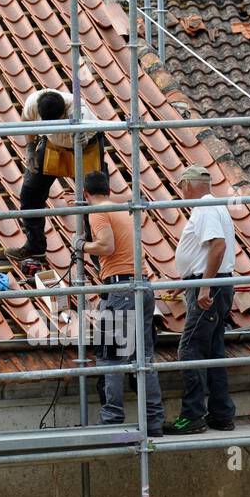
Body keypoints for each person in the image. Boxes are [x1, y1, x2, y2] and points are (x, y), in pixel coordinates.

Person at [77, 171, 164, 436]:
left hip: (122, 289)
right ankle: (154, 422)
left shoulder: (98, 212)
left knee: (111, 358)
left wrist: (81, 245)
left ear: (85, 195)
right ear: (108, 190)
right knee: (143, 358)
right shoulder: (122, 210)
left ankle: (112, 420)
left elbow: (106, 246)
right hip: (142, 286)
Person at [164, 164, 238, 435]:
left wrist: (203, 288)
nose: (180, 192)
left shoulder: (205, 208)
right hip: (217, 285)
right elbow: (204, 253)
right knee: (214, 351)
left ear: (188, 184)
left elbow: (218, 246)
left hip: (210, 289)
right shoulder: (216, 206)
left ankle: (192, 416)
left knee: (189, 350)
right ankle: (221, 414)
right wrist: (186, 283)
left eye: (180, 187)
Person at [6, 88, 76, 259]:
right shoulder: (33, 103)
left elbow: (93, 134)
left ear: (63, 114)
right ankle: (35, 246)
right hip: (52, 144)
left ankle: (96, 249)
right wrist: (30, 149)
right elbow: (26, 121)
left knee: (91, 199)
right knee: (30, 194)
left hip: (83, 147)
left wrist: (83, 138)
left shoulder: (79, 110)